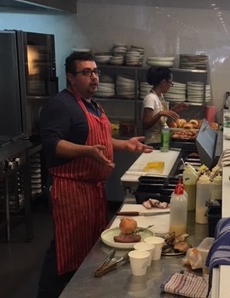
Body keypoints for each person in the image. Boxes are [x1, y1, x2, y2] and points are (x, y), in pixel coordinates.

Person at [38, 51, 153, 297]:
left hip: (91, 189)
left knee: (88, 248)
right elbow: (51, 143)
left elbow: (101, 139)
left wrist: (125, 145)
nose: (94, 78)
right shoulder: (60, 105)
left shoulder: (93, 105)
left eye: (95, 72)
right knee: (64, 250)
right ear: (71, 77)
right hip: (70, 189)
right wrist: (86, 152)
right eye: (86, 72)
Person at [142, 66, 188, 144]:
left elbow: (162, 120)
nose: (171, 86)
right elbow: (145, 124)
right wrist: (160, 113)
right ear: (163, 82)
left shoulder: (160, 97)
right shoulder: (150, 98)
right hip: (152, 142)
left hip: (161, 140)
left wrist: (174, 109)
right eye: (170, 83)